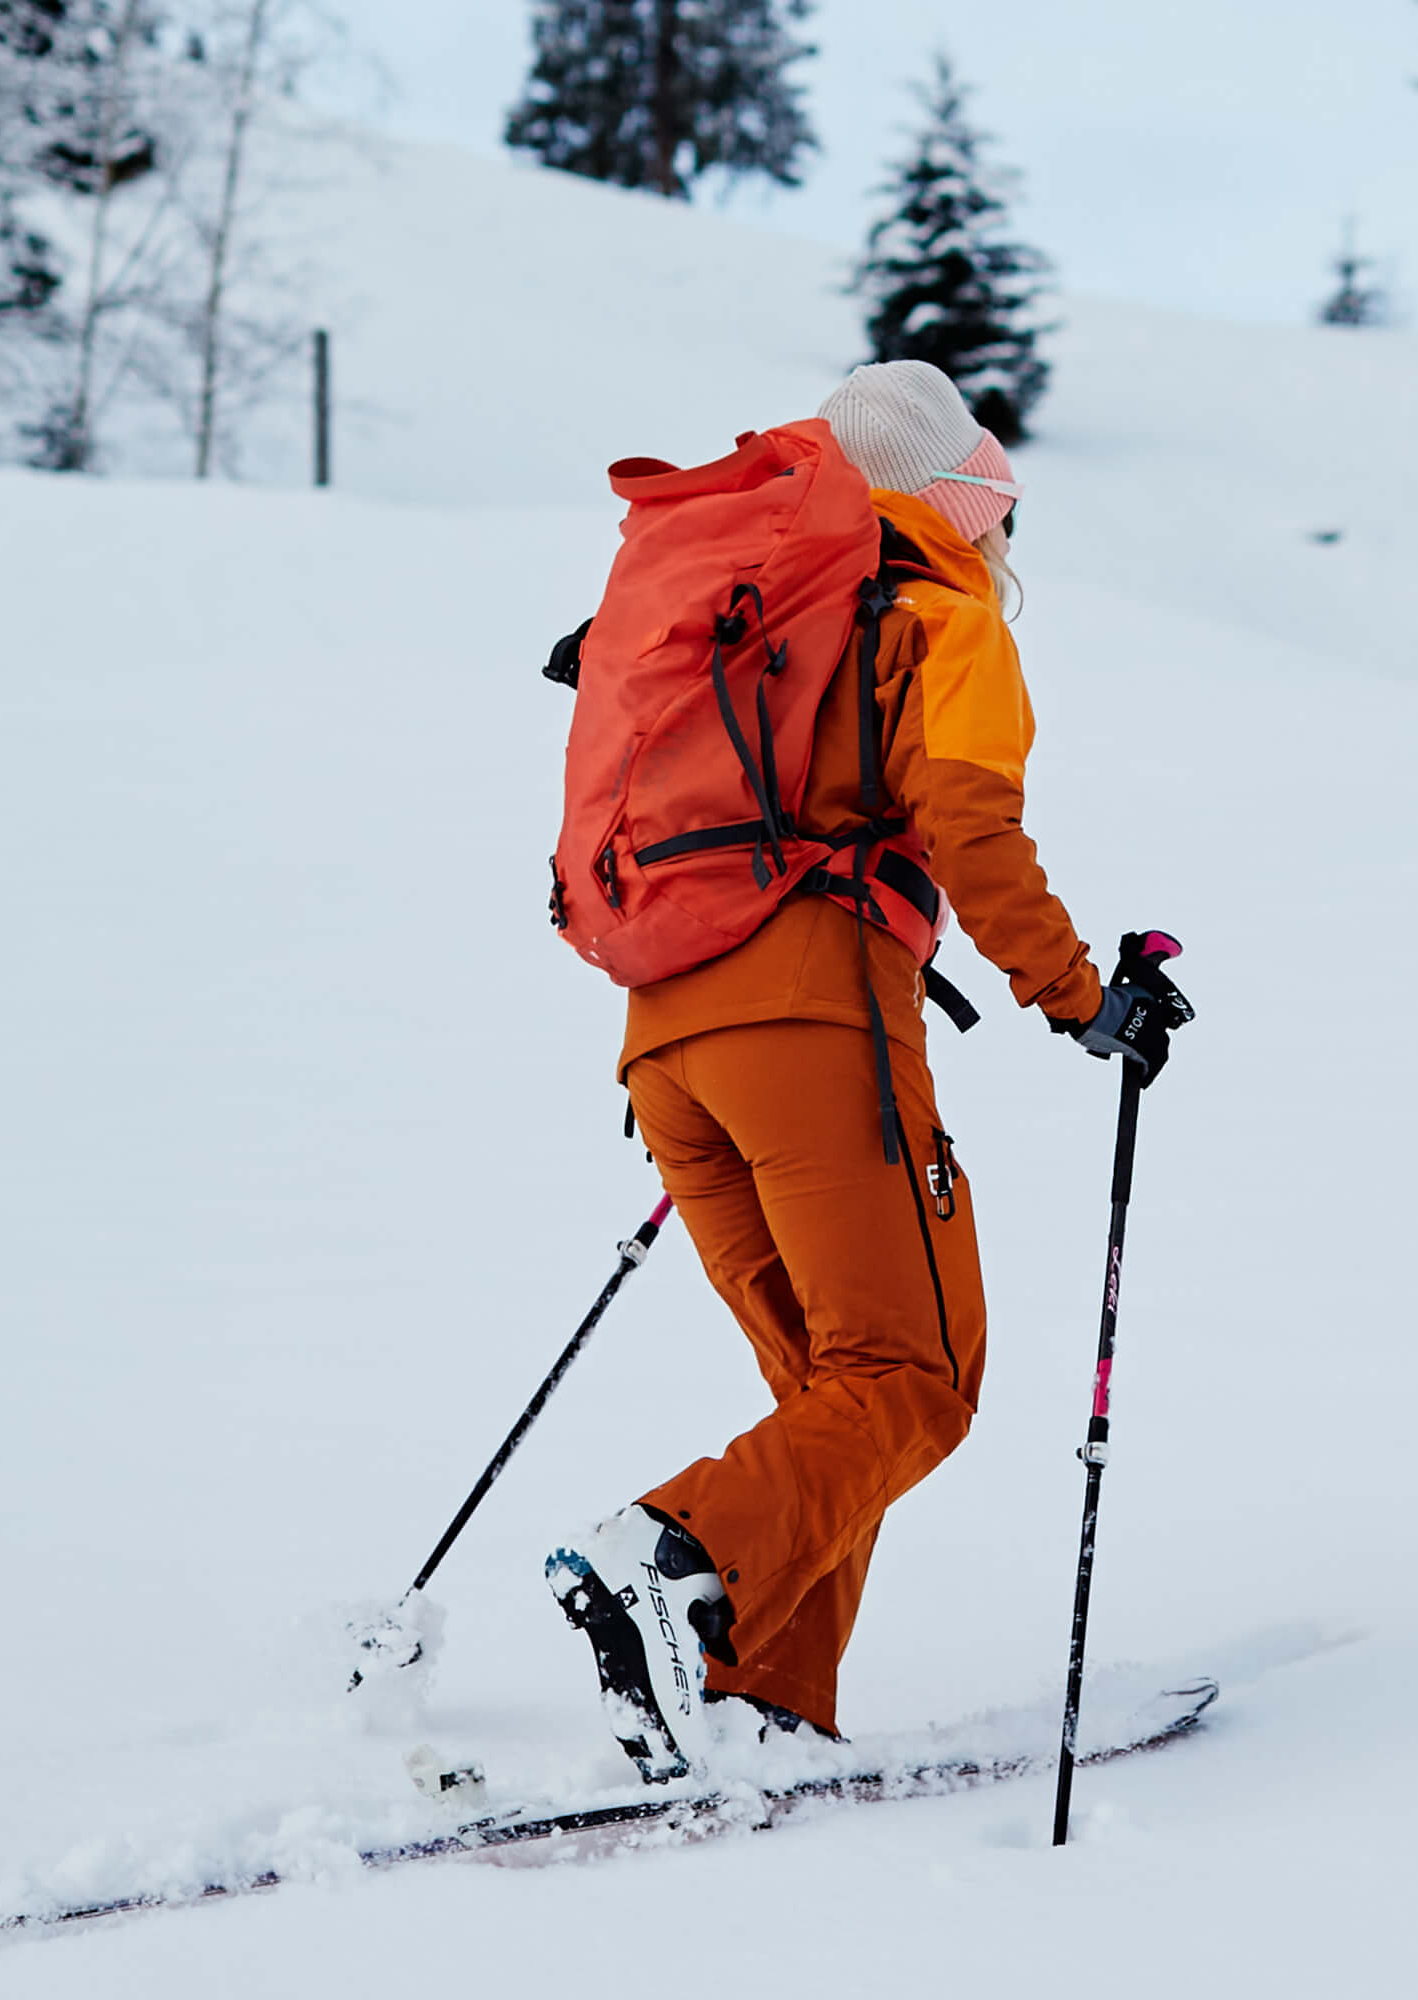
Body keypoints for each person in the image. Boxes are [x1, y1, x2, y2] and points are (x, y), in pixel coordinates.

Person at [545, 362, 1187, 1779]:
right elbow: (969, 823)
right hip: (813, 1025)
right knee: (914, 1375)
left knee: (831, 1397)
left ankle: (753, 1695)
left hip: (666, 1046)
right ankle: (673, 1554)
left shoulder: (751, 620)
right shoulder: (932, 616)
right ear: (961, 502)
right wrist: (1081, 998)